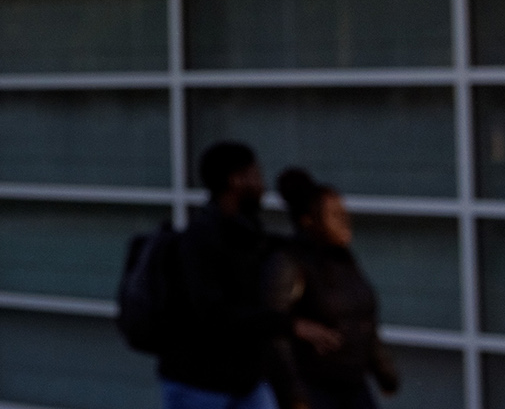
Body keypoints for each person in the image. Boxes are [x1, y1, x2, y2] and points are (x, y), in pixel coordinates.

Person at [159, 141, 291, 409]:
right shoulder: (201, 237)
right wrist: (289, 324)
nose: (262, 185)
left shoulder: (249, 234)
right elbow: (214, 312)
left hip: (245, 379)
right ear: (236, 180)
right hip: (199, 384)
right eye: (256, 175)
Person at [267, 168, 399, 409]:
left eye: (345, 213)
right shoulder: (289, 261)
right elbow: (274, 332)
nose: (345, 221)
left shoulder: (343, 259)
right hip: (314, 389)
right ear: (309, 220)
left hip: (354, 386)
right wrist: (294, 395)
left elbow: (364, 320)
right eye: (335, 215)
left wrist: (385, 372)